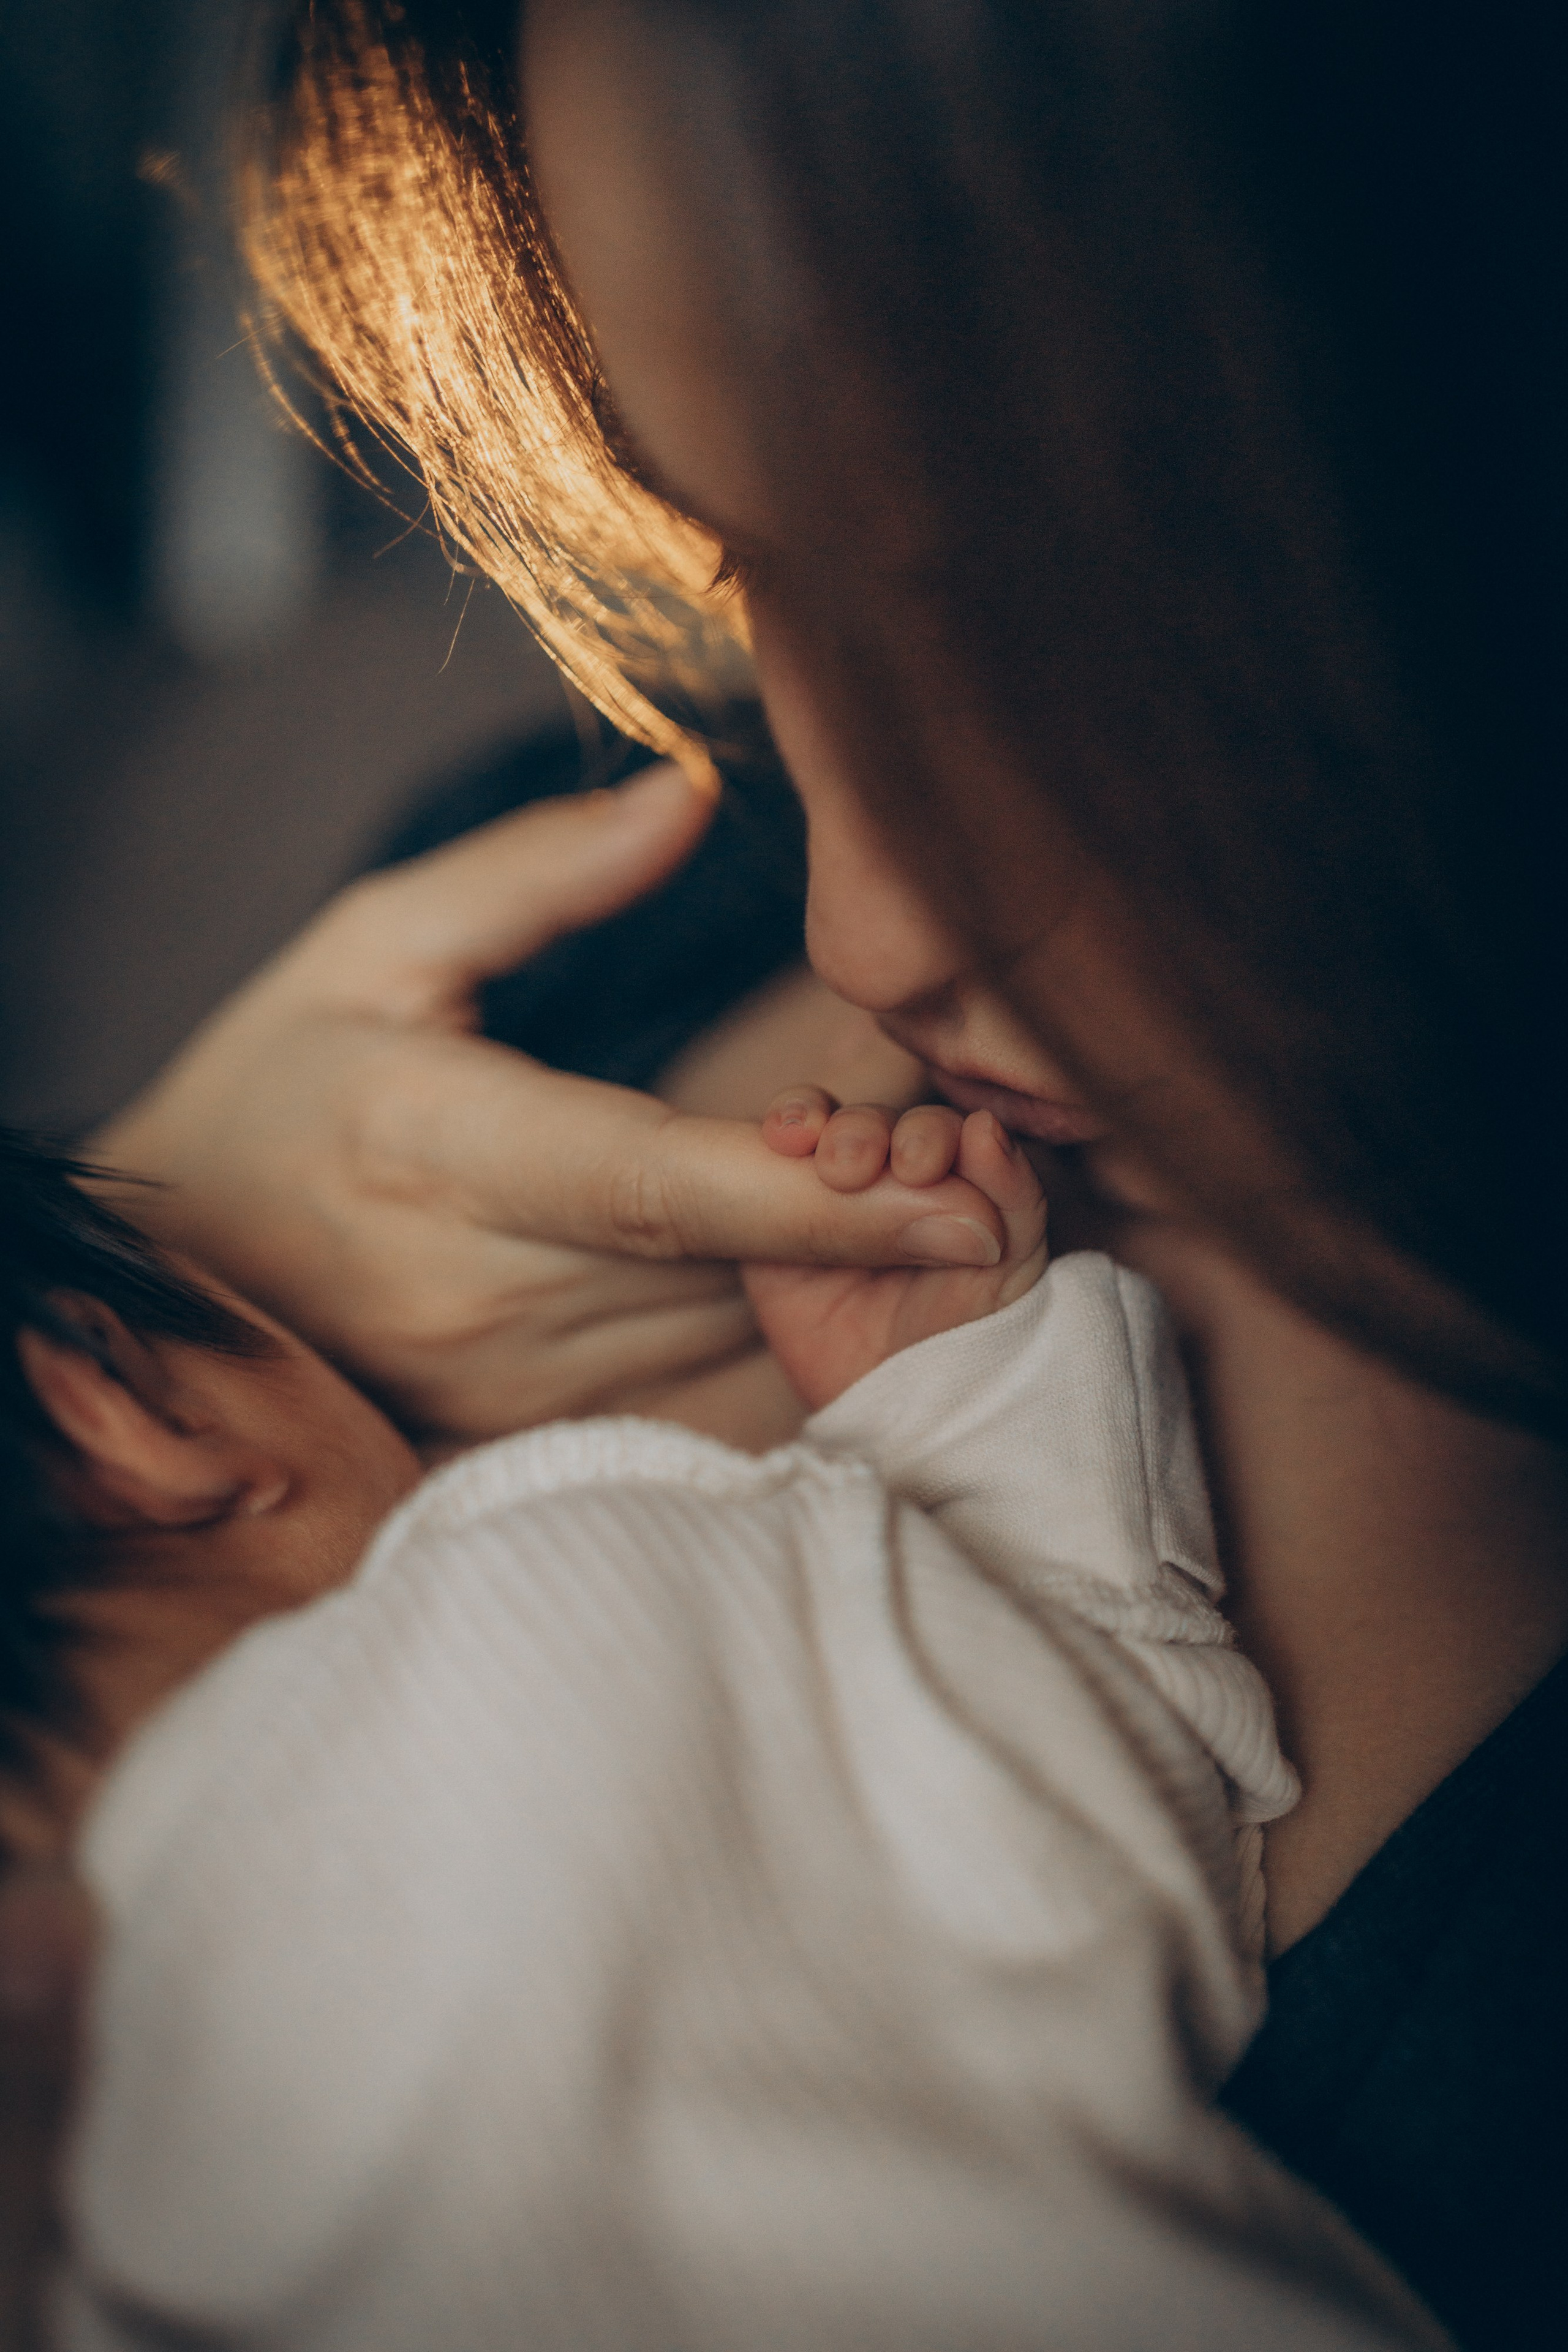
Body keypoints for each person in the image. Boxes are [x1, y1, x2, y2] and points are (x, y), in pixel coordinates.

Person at [64, 1, 1566, 2343]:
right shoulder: (562, 912)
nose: (858, 922)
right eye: (742, 561)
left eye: (1043, 624)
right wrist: (172, 1238)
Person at [1, 1121, 1450, 2349]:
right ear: (113, 1398)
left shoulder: (103, 2249)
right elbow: (1124, 1807)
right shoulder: (531, 1587)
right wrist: (964, 1394)